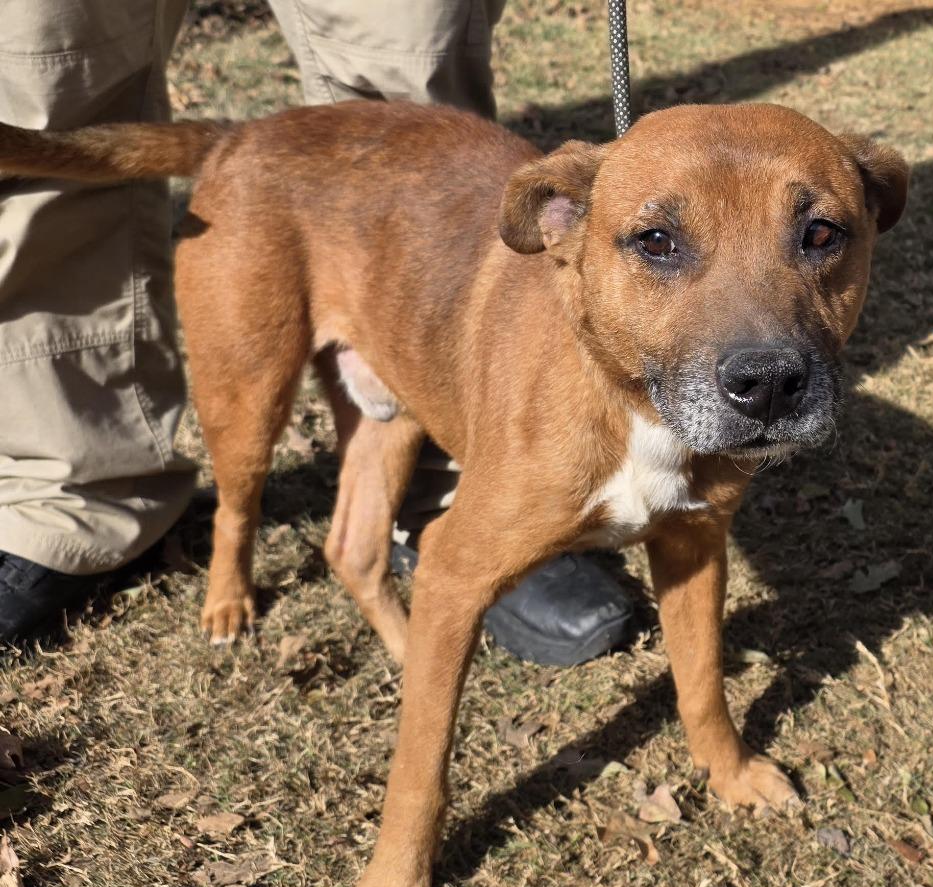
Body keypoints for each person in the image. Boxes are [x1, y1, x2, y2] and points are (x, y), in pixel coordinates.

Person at [0, 0, 631, 664]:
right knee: (59, 71)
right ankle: (188, 525)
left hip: (399, 257)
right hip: (264, 207)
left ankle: (452, 507)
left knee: (408, 54)